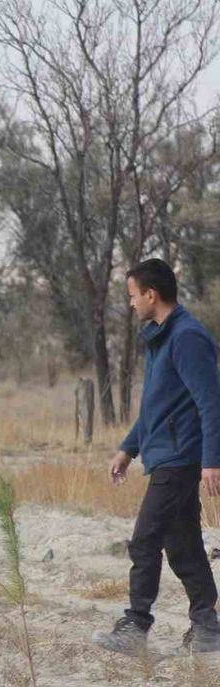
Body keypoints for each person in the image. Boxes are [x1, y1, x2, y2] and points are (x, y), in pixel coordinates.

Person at [97, 258, 220, 655]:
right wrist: (128, 448)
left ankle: (136, 625)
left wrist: (212, 461)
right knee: (182, 544)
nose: (131, 303)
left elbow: (211, 403)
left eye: (133, 295)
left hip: (181, 457)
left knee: (145, 538)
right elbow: (157, 407)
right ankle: (207, 628)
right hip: (167, 453)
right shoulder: (161, 337)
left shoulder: (186, 337)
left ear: (152, 294)